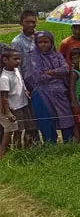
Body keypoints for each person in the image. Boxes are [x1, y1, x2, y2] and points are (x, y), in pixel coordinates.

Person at [26, 31, 74, 144]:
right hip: (42, 94)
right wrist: (57, 74)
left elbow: (66, 69)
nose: (43, 44)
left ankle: (69, 144)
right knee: (46, 120)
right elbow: (38, 77)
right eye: (40, 42)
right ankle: (50, 145)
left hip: (60, 93)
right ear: (36, 44)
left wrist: (50, 72)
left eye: (46, 41)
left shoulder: (56, 55)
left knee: (65, 116)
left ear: (51, 42)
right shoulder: (33, 57)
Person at [11, 10, 39, 145]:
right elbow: (17, 67)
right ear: (21, 23)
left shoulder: (41, 37)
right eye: (28, 21)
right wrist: (23, 87)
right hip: (27, 83)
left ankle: (41, 141)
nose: (31, 24)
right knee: (28, 116)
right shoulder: (17, 42)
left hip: (42, 82)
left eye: (33, 21)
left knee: (41, 113)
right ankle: (30, 143)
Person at [0, 48, 30, 158]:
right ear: (5, 60)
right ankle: (9, 153)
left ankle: (17, 151)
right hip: (14, 107)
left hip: (22, 103)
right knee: (13, 131)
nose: (18, 61)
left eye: (19, 59)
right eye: (15, 59)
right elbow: (4, 97)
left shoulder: (16, 70)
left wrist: (25, 90)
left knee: (20, 129)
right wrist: (8, 112)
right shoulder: (4, 77)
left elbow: (21, 81)